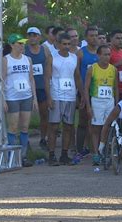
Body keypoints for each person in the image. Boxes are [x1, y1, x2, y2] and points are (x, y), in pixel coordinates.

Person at [44, 33, 84, 166]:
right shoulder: (52, 57)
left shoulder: (74, 58)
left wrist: (82, 94)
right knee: (54, 126)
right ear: (58, 44)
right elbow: (47, 78)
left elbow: (77, 77)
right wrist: (49, 97)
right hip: (56, 95)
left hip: (70, 96)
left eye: (68, 44)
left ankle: (64, 154)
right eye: (64, 44)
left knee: (68, 126)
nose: (66, 47)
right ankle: (51, 154)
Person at [3, 34, 38, 167]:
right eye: (19, 43)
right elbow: (2, 79)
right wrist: (3, 99)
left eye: (23, 43)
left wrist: (34, 97)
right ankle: (11, 156)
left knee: (24, 127)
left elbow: (31, 78)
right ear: (12, 45)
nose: (22, 46)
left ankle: (22, 156)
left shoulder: (27, 59)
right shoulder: (6, 60)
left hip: (26, 96)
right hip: (12, 97)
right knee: (13, 126)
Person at [84, 45, 117, 165]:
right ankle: (96, 153)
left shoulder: (113, 69)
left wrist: (117, 105)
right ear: (98, 55)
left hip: (109, 101)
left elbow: (116, 88)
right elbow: (86, 88)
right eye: (105, 54)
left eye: (109, 54)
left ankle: (107, 151)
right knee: (96, 127)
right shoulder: (92, 69)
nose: (107, 57)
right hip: (97, 100)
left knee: (109, 126)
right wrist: (88, 106)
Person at [75, 26, 99, 160]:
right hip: (84, 91)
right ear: (86, 38)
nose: (94, 38)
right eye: (91, 35)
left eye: (96, 35)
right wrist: (82, 94)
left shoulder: (102, 52)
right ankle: (80, 149)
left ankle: (94, 149)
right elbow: (77, 75)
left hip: (99, 92)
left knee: (96, 121)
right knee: (83, 120)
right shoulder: (81, 53)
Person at [25, 27, 50, 151]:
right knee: (26, 115)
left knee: (44, 114)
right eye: (29, 35)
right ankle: (25, 140)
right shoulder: (24, 50)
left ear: (39, 37)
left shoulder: (44, 50)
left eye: (34, 35)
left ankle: (43, 138)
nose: (32, 37)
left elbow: (48, 68)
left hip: (41, 87)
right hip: (27, 88)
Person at [109, 29, 122, 98]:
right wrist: (119, 63)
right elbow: (103, 68)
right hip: (114, 87)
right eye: (118, 38)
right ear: (111, 39)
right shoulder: (108, 51)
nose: (120, 40)